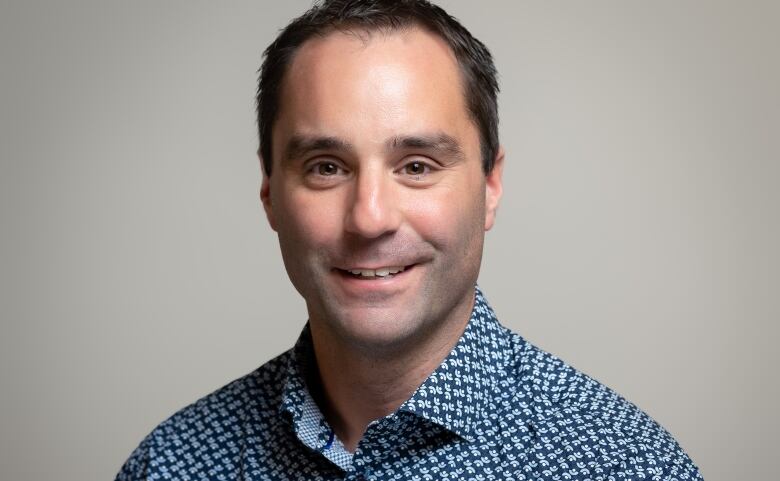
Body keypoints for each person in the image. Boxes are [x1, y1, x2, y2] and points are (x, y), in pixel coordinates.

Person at [116, 1, 703, 479]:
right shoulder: (168, 465)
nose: (370, 218)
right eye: (326, 166)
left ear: (490, 185)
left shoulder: (622, 464)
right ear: (270, 194)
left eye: (417, 165)